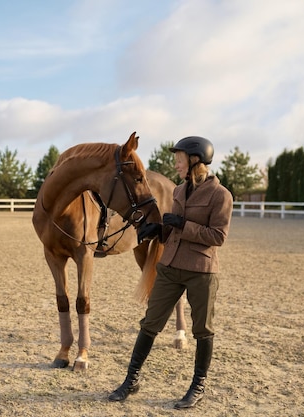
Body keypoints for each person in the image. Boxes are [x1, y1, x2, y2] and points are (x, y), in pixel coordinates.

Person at [108, 136, 233, 409]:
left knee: (203, 329)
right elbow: (174, 229)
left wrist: (183, 225)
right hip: (170, 266)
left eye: (180, 158)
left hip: (201, 270)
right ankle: (131, 379)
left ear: (195, 160)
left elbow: (218, 236)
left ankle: (198, 385)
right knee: (150, 323)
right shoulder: (178, 191)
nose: (175, 163)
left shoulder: (220, 195)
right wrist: (159, 230)